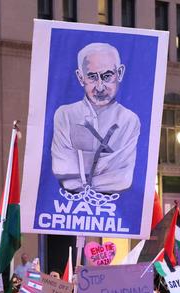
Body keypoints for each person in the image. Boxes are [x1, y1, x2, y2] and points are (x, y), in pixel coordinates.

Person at [51, 42, 140, 194]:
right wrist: (108, 163)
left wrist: (78, 162)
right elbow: (61, 168)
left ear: (120, 73)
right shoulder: (65, 115)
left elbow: (122, 178)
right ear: (80, 77)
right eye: (92, 77)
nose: (100, 86)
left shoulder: (129, 120)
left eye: (107, 76)